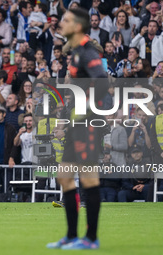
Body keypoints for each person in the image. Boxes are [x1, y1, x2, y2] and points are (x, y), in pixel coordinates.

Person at [47, 8, 108, 250]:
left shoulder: (87, 51)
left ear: (79, 26)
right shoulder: (73, 53)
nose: (62, 23)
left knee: (89, 180)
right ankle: (72, 235)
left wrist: (90, 110)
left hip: (87, 124)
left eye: (67, 20)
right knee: (64, 177)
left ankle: (91, 238)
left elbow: (102, 80)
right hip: (75, 124)